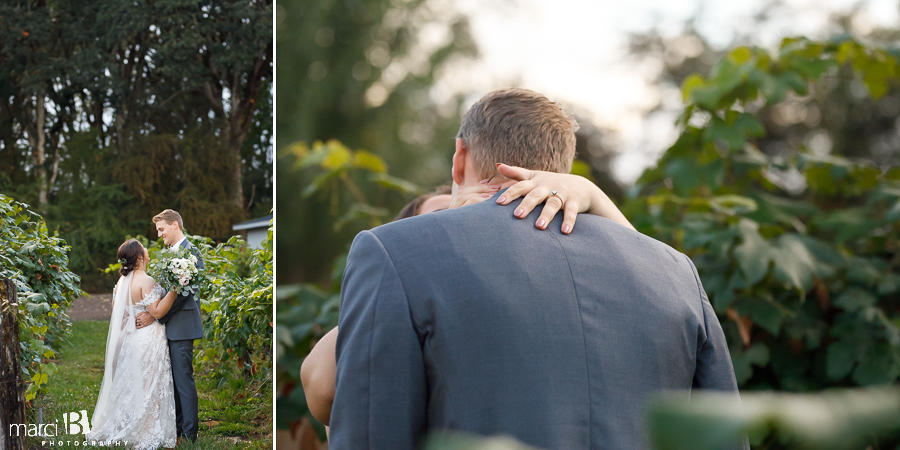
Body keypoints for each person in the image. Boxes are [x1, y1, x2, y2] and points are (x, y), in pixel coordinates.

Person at [329, 88, 744, 449]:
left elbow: (370, 432)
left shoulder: (393, 250)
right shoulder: (676, 273)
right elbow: (723, 436)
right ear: (562, 166)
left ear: (460, 157)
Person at [301, 168, 637, 428]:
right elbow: (324, 388)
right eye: (438, 218)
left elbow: (648, 276)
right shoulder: (393, 298)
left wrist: (594, 195)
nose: (464, 221)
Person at [86, 239, 178, 449]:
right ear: (139, 257)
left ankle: (128, 421)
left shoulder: (121, 282)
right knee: (150, 383)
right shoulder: (146, 281)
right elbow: (157, 312)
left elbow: (120, 312)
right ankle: (146, 427)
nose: (147, 252)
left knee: (134, 382)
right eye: (144, 250)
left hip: (131, 338)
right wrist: (174, 290)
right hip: (148, 338)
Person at [134, 209, 204, 444]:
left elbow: (184, 294)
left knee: (183, 379)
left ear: (175, 225)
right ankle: (176, 428)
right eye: (158, 230)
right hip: (170, 324)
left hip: (182, 324)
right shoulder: (170, 253)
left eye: (162, 229)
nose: (159, 234)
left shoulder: (190, 253)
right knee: (173, 380)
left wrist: (155, 315)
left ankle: (189, 434)